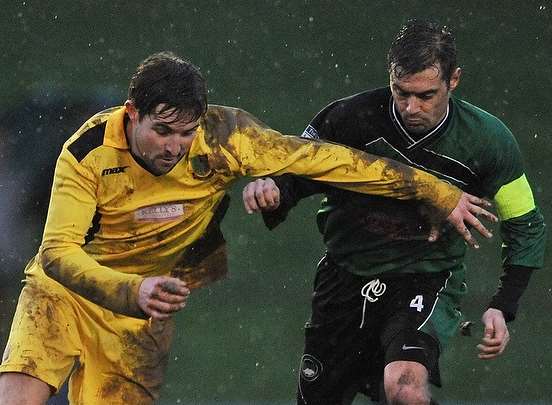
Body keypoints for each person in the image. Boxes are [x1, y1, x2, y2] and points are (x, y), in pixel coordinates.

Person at [0, 51, 494, 405]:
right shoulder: (86, 153)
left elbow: (329, 161)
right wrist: (134, 288)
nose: (175, 147)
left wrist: (438, 192)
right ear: (132, 115)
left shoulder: (224, 139)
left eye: (186, 132)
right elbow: (57, 255)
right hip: (67, 293)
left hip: (138, 316)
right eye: (162, 131)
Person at [243, 20, 546, 405]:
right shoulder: (347, 118)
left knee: (404, 388)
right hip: (344, 276)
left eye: (425, 95)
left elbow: (526, 226)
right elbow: (297, 172)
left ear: (454, 80)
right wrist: (273, 188)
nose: (410, 108)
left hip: (424, 279)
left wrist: (504, 305)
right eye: (401, 93)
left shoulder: (489, 142)